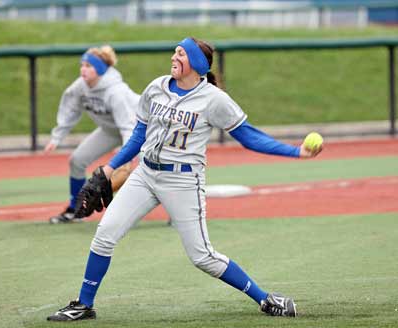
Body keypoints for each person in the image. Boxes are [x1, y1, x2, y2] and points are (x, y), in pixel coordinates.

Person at [47, 37, 322, 321]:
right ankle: (84, 304)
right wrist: (109, 167)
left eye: (181, 54)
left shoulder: (214, 99)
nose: (173, 58)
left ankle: (265, 299)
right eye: (175, 52)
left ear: (197, 64)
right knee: (105, 235)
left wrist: (296, 152)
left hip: (183, 182)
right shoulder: (157, 87)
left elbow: (250, 137)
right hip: (145, 173)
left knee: (202, 256)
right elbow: (139, 135)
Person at [44, 45, 139, 224]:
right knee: (77, 160)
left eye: (89, 66)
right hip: (110, 130)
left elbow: (128, 126)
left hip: (140, 130)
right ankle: (76, 209)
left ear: (101, 69)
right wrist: (57, 136)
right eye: (82, 65)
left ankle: (177, 213)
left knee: (152, 171)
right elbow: (70, 109)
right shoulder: (81, 86)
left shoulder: (115, 91)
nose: (83, 69)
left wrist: (128, 156)